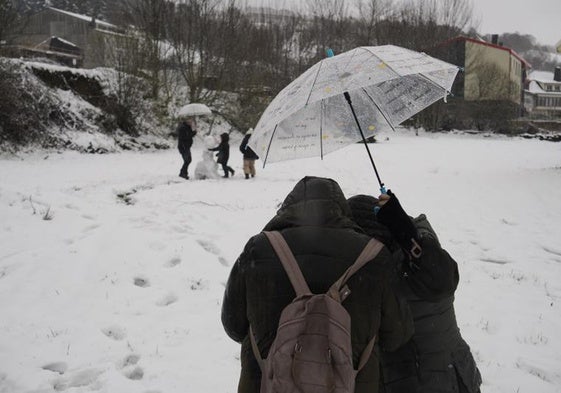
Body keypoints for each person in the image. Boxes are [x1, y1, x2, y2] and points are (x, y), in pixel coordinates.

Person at [221, 176, 413, 393]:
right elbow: (397, 334)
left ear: (287, 208)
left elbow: (233, 325)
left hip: (266, 383)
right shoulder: (374, 256)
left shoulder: (259, 249)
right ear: (341, 209)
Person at [347, 191, 482, 393]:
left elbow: (442, 279)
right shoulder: (382, 265)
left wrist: (408, 236)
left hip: (446, 380)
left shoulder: (414, 255)